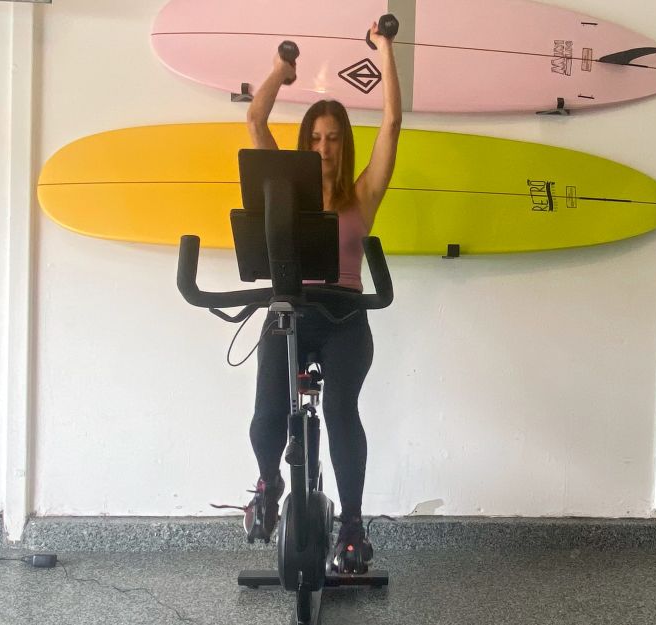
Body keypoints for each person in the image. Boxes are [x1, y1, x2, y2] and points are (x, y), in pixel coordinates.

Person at [242, 23, 401, 572]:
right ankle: (268, 483)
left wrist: (385, 53)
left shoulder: (363, 193)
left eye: (333, 138)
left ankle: (351, 526)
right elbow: (256, 120)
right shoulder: (284, 189)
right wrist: (282, 73)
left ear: (344, 143)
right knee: (266, 415)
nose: (324, 147)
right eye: (315, 138)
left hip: (345, 320)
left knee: (339, 410)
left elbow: (393, 124)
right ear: (304, 142)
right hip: (290, 313)